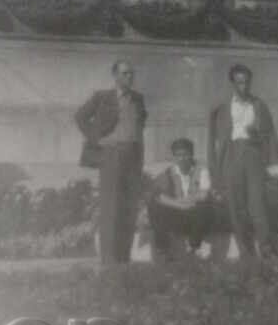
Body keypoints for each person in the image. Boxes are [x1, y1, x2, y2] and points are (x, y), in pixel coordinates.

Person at [75, 59, 147, 264]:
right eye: (125, 73)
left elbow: (140, 124)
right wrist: (97, 139)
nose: (129, 77)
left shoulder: (138, 99)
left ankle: (124, 259)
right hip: (111, 155)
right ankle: (108, 261)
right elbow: (80, 117)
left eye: (131, 73)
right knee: (111, 207)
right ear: (115, 76)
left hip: (133, 156)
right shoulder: (102, 97)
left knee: (129, 207)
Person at [208, 63, 278, 259]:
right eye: (239, 82)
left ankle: (266, 248)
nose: (244, 86)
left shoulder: (258, 105)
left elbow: (269, 135)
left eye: (247, 82)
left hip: (253, 154)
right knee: (236, 205)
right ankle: (246, 251)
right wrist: (215, 166)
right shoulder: (221, 107)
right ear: (232, 83)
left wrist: (256, 135)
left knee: (258, 204)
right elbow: (213, 140)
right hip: (230, 155)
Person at [147, 138, 213, 259]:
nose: (182, 158)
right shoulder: (168, 172)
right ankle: (163, 249)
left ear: (191, 155)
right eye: (178, 155)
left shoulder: (202, 170)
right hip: (177, 214)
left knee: (203, 205)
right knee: (154, 205)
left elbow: (203, 194)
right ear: (174, 157)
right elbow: (158, 196)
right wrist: (179, 205)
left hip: (195, 215)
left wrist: (185, 202)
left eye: (185, 154)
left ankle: (194, 247)